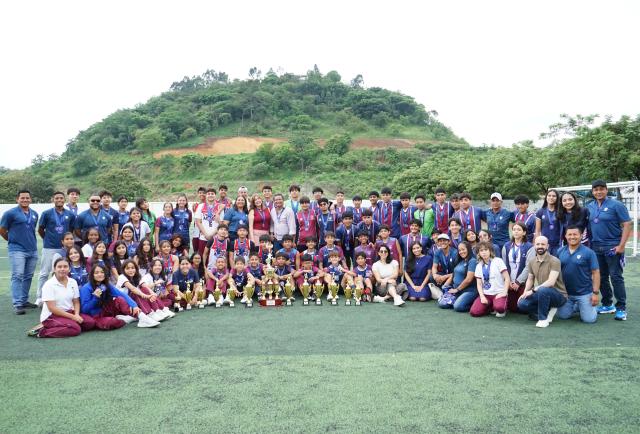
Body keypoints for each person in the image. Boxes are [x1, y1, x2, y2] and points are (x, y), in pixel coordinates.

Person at [587, 180, 632, 320]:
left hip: (612, 247)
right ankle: (607, 304)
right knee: (601, 277)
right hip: (596, 247)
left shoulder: (616, 205)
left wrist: (621, 246)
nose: (598, 192)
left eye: (601, 189)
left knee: (616, 277)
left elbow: (627, 224)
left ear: (606, 190)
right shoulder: (590, 206)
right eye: (596, 190)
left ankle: (621, 308)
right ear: (592, 192)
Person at [28, 258, 96, 338]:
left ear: (69, 269)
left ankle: (67, 324)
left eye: (65, 266)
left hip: (70, 312)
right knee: (75, 329)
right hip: (52, 316)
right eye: (59, 267)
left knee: (90, 323)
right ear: (54, 269)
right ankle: (41, 332)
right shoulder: (49, 285)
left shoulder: (72, 282)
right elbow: (52, 308)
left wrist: (77, 314)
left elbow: (76, 301)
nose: (62, 269)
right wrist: (73, 317)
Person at [80, 264, 159, 329]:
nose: (100, 274)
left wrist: (134, 306)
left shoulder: (106, 284)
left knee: (120, 299)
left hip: (106, 310)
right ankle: (123, 318)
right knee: (112, 322)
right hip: (95, 315)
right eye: (96, 273)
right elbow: (84, 310)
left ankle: (141, 317)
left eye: (102, 272)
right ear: (92, 275)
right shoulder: (86, 288)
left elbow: (121, 294)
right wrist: (95, 298)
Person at [0, 189, 39, 314]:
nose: (25, 200)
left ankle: (24, 300)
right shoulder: (10, 213)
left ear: (30, 199)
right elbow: (2, 229)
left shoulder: (34, 214)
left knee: (28, 276)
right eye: (22, 198)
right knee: (17, 276)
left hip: (32, 249)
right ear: (17, 199)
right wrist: (12, 240)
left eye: (27, 198)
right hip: (17, 250)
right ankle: (17, 304)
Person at [517, 236, 568, 328]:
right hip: (541, 292)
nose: (540, 246)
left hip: (559, 295)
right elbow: (530, 279)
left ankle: (543, 320)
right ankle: (547, 310)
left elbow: (551, 282)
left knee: (543, 289)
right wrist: (525, 293)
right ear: (534, 246)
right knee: (522, 303)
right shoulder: (532, 261)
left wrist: (532, 291)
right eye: (538, 244)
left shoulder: (555, 261)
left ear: (547, 246)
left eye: (543, 244)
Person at [37, 191, 76, 304]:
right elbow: (41, 229)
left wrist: (67, 243)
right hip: (49, 247)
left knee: (62, 272)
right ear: (53, 199)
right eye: (57, 198)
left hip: (65, 248)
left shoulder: (70, 214)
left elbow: (71, 230)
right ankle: (40, 297)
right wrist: (47, 239)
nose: (59, 200)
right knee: (45, 273)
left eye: (61, 198)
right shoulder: (46, 213)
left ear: (64, 200)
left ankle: (60, 296)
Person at [556, 226, 600, 323]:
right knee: (562, 316)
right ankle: (578, 306)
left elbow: (596, 273)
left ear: (581, 236)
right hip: (566, 293)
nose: (572, 237)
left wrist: (595, 293)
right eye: (569, 234)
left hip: (584, 293)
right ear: (565, 236)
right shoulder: (560, 251)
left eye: (575, 234)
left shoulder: (589, 252)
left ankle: (586, 306)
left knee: (589, 320)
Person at [501, 222, 535, 313]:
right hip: (509, 282)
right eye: (514, 229)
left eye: (519, 230)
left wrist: (518, 281)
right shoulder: (506, 246)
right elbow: (503, 265)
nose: (516, 231)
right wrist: (508, 281)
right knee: (512, 308)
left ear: (524, 232)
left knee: (523, 308)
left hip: (522, 282)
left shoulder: (530, 247)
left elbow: (528, 266)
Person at [470, 241, 510, 318]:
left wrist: (504, 292)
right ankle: (491, 306)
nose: (484, 252)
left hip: (498, 293)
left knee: (500, 308)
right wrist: (482, 296)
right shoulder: (478, 266)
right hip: (486, 294)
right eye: (481, 250)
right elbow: (479, 284)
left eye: (486, 250)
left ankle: (497, 306)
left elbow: (507, 278)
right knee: (474, 312)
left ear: (490, 251)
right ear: (478, 253)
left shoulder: (498, 261)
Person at [439, 241, 477, 311]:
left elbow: (469, 279)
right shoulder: (460, 261)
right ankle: (458, 300)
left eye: (463, 249)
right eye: (459, 250)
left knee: (458, 307)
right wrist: (445, 285)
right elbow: (453, 274)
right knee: (442, 304)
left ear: (468, 249)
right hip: (456, 290)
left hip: (469, 290)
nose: (461, 252)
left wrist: (457, 289)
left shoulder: (472, 261)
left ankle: (474, 304)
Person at [429, 233, 458, 300]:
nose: (442, 242)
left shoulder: (455, 252)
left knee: (455, 279)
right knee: (431, 277)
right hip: (445, 273)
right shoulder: (437, 252)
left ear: (449, 242)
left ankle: (450, 291)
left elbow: (457, 271)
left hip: (454, 275)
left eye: (444, 240)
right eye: (440, 241)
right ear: (438, 243)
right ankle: (442, 291)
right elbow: (434, 266)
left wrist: (444, 277)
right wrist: (435, 275)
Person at [195, 188, 223, 254]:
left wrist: (212, 235)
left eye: (212, 194)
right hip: (203, 237)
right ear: (206, 195)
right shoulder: (201, 206)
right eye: (208, 194)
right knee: (202, 256)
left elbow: (221, 224)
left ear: (215, 195)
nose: (210, 195)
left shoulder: (219, 207)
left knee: (215, 257)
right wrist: (205, 234)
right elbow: (198, 222)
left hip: (216, 237)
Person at [535, 189, 562, 256]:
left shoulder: (560, 211)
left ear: (557, 198)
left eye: (554, 196)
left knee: (556, 261)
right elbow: (537, 230)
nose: (551, 197)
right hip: (544, 244)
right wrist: (537, 243)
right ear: (546, 197)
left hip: (557, 244)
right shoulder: (540, 212)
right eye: (549, 195)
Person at [191, 187, 206, 253]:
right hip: (196, 231)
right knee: (195, 250)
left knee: (203, 250)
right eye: (200, 193)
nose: (201, 194)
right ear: (198, 194)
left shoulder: (209, 204)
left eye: (203, 193)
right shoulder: (196, 205)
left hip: (204, 231)